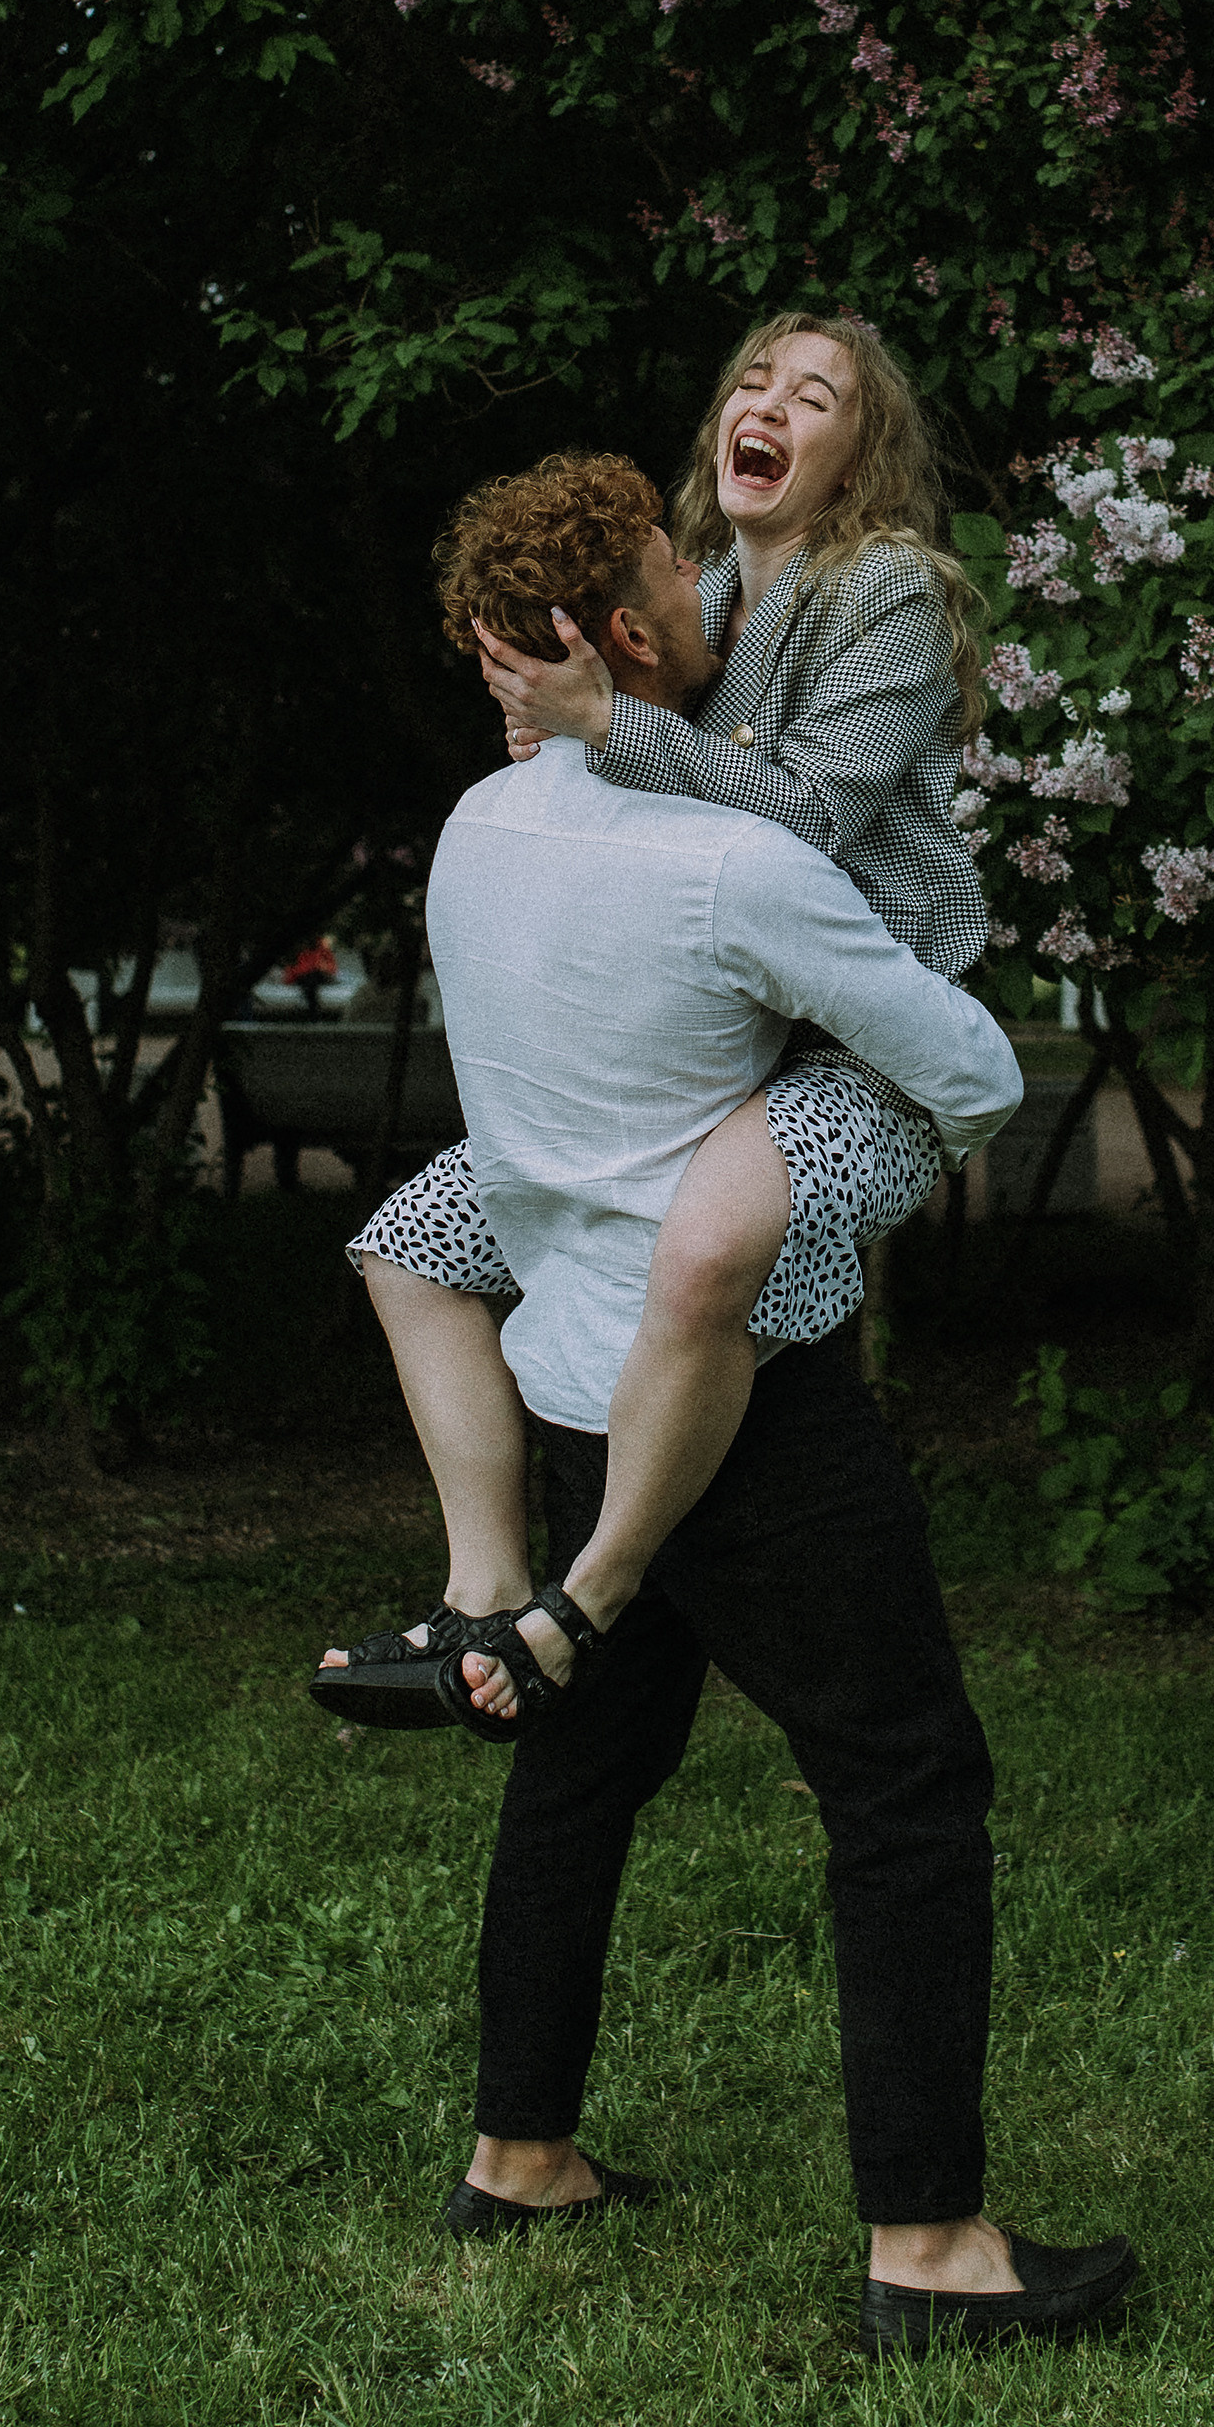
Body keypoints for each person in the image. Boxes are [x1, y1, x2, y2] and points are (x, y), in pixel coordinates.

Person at [359, 452, 1136, 2350]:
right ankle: (935, 2251)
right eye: (674, 573)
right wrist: (792, 1130)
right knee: (902, 1777)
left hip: (557, 1366)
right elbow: (969, 1065)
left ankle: (521, 2148)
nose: (713, 582)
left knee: (584, 1762)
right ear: (626, 639)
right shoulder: (738, 863)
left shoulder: (474, 829)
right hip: (741, 1404)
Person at [315, 311, 991, 1725]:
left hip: (864, 1045)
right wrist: (555, 732)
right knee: (410, 1240)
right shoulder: (712, 608)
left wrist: (602, 724)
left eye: (818, 396)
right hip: (729, 1039)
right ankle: (482, 1587)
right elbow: (637, 771)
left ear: (862, 458)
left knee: (706, 1247)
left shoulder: (884, 595)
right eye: (754, 376)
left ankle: (594, 1590)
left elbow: (803, 816)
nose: (772, 402)